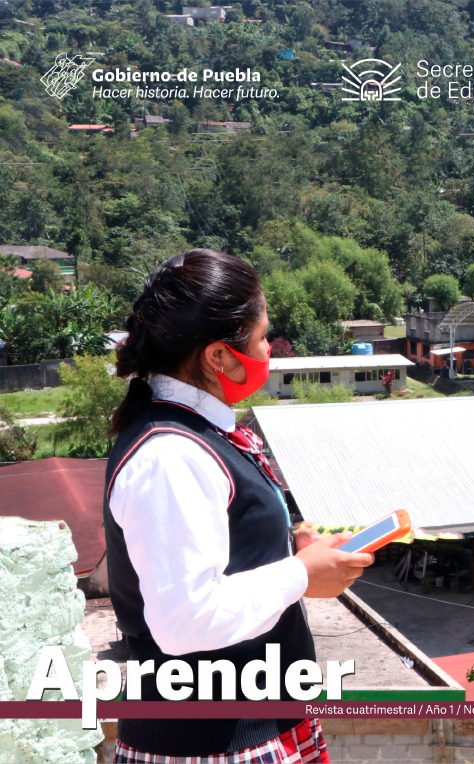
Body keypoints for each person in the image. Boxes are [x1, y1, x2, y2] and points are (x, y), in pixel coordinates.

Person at [104, 249, 374, 763]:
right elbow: (186, 619)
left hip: (261, 720)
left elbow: (221, 547)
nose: (269, 349)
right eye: (261, 336)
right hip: (214, 746)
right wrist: (300, 575)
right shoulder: (170, 455)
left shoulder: (198, 431)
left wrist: (287, 547)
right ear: (219, 357)